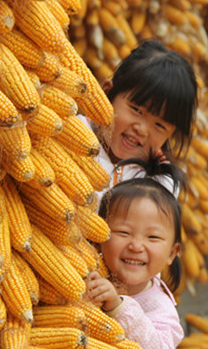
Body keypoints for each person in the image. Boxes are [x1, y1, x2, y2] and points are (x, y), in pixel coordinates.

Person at [84, 39, 198, 200]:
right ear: (107, 93)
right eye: (137, 110)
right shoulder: (70, 133)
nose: (142, 129)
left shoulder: (159, 185)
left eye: (159, 125)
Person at [85, 172, 185, 349]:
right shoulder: (87, 275)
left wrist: (118, 307)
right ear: (99, 238)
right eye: (124, 233)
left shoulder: (161, 307)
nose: (136, 246)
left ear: (172, 253)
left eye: (152, 237)